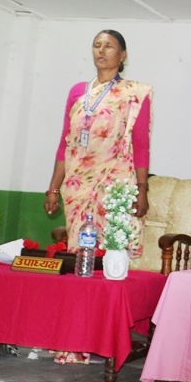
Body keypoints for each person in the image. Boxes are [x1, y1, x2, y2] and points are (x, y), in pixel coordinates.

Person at [43, 29, 152, 255]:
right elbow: (65, 143)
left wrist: (142, 190)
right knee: (79, 250)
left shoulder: (134, 93)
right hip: (77, 183)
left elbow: (141, 144)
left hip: (115, 183)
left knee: (112, 248)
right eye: (97, 45)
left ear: (122, 55)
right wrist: (53, 188)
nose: (101, 51)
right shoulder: (77, 91)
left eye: (108, 46)